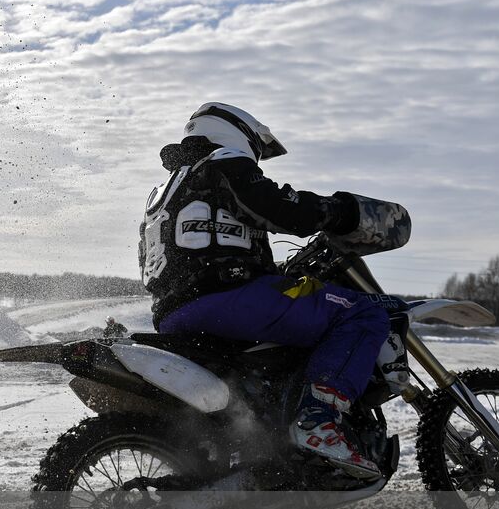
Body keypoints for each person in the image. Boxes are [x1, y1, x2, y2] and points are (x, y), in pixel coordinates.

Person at [138, 102, 389, 479]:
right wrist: (341, 212)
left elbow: (206, 243)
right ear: (236, 134)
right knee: (363, 311)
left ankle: (262, 448)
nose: (255, 159)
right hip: (225, 299)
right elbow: (281, 210)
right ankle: (318, 420)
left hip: (175, 313)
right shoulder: (223, 163)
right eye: (255, 148)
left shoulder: (166, 190)